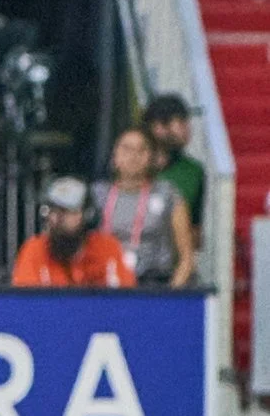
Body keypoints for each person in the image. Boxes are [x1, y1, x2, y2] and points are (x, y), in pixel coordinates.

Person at [92, 125, 193, 288]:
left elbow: (186, 257)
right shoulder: (97, 194)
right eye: (127, 149)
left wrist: (171, 295)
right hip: (105, 285)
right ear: (114, 155)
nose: (134, 156)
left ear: (152, 156)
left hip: (156, 285)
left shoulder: (168, 194)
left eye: (142, 150)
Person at [11, 175, 134, 288]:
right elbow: (26, 304)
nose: (56, 219)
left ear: (88, 215)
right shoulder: (34, 249)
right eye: (52, 211)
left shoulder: (107, 248)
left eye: (66, 212)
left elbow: (126, 299)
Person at [142, 93, 206, 227]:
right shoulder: (134, 164)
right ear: (158, 126)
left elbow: (196, 224)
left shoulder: (194, 171)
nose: (188, 129)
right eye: (181, 122)